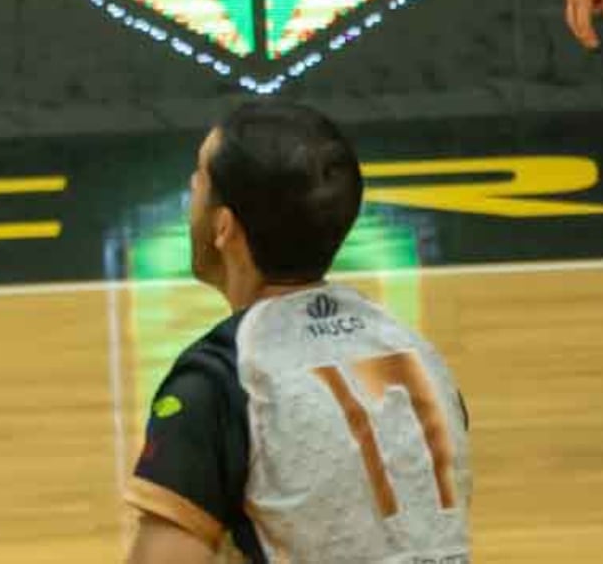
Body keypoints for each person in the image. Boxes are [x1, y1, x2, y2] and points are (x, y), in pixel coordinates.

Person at [125, 102, 471, 561]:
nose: (191, 186)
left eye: (200, 176)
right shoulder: (421, 356)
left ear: (224, 227)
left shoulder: (217, 384)